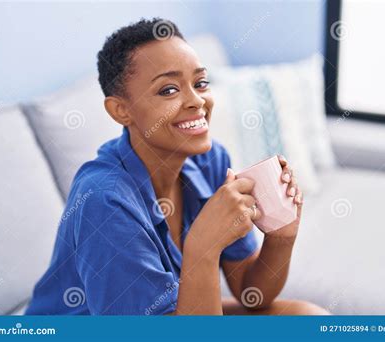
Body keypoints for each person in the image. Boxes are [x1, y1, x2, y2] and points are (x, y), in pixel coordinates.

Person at [26, 18, 330, 316]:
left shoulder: (210, 162)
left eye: (200, 83)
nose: (197, 100)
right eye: (169, 90)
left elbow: (252, 294)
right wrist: (203, 246)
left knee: (307, 317)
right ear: (121, 111)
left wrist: (281, 234)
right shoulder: (103, 200)